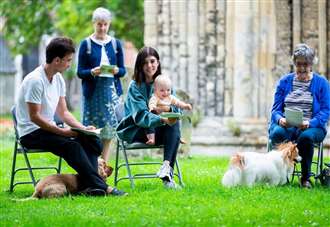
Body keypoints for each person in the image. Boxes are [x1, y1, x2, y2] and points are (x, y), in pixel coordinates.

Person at [16, 37, 126, 196]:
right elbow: (35, 117)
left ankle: (91, 185)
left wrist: (83, 129)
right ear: (56, 60)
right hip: (31, 132)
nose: (69, 64)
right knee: (72, 146)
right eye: (68, 60)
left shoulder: (58, 79)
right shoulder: (35, 81)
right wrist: (63, 132)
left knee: (93, 141)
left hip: (48, 129)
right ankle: (103, 187)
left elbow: (64, 112)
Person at [116, 47, 182, 189]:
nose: (149, 66)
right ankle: (168, 174)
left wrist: (168, 110)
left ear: (158, 63)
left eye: (152, 61)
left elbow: (175, 108)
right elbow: (141, 116)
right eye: (145, 63)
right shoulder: (135, 86)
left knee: (174, 124)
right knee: (172, 125)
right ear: (139, 65)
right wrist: (162, 118)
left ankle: (166, 171)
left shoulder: (164, 83)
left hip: (158, 129)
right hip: (136, 130)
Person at [269, 43, 330, 189]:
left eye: (306, 64)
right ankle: (279, 176)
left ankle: (305, 178)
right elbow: (275, 110)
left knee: (306, 137)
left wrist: (310, 122)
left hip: (312, 126)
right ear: (294, 63)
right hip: (288, 124)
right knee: (277, 132)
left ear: (312, 64)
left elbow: (326, 111)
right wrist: (280, 119)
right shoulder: (284, 81)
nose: (302, 68)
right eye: (299, 64)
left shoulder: (321, 83)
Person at [77, 7, 126, 163]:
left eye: (105, 24)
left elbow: (123, 71)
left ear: (109, 24)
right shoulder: (86, 44)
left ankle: (103, 167)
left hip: (111, 92)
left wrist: (117, 70)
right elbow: (79, 72)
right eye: (99, 24)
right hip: (93, 94)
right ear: (94, 24)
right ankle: (92, 165)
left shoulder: (116, 44)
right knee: (92, 131)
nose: (103, 28)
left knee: (109, 131)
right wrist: (92, 71)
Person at [146, 74, 192, 145]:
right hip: (157, 119)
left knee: (176, 120)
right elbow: (152, 103)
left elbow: (178, 103)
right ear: (155, 90)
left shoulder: (170, 97)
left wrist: (185, 106)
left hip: (167, 118)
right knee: (149, 122)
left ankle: (178, 136)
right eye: (162, 90)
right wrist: (153, 108)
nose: (166, 93)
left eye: (168, 90)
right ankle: (151, 138)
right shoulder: (155, 97)